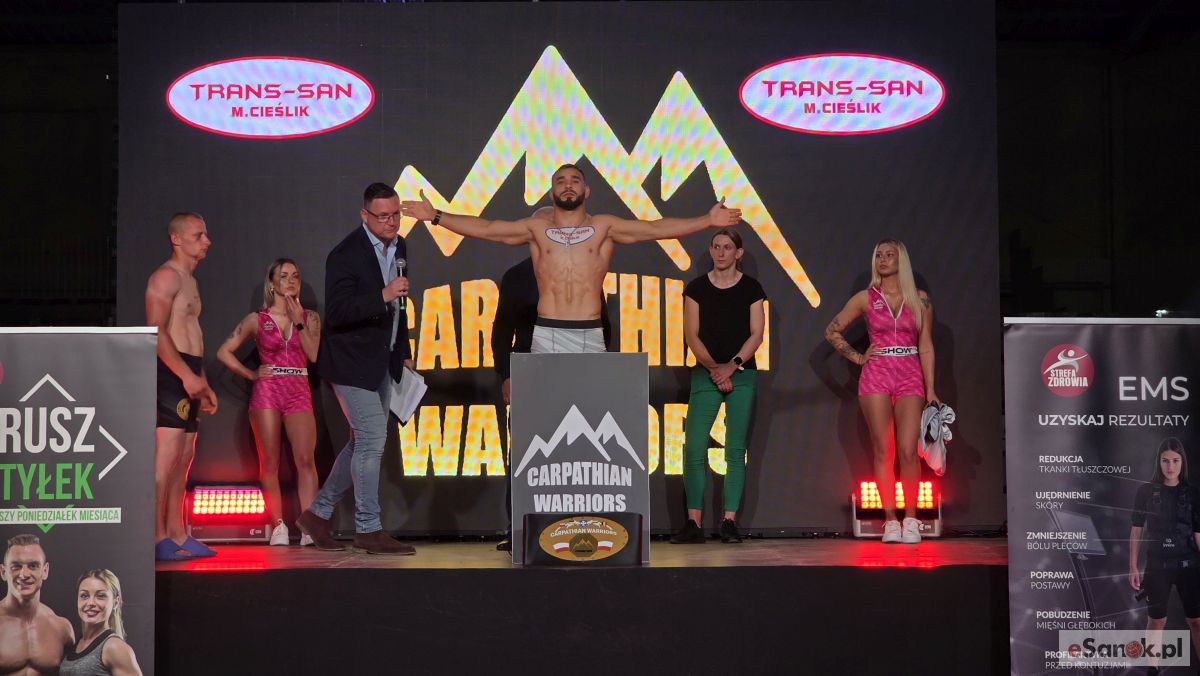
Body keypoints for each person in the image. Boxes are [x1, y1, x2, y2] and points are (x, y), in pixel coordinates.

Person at [401, 163, 741, 353]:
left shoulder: (604, 227)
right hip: (546, 333)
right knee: (545, 424)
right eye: (560, 181)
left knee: (590, 421)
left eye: (575, 180)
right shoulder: (536, 228)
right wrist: (436, 216)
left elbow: (655, 229)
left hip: (590, 333)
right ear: (552, 192)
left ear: (586, 190)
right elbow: (488, 228)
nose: (568, 185)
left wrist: (707, 221)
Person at [294, 182, 416, 556]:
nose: (391, 222)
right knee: (372, 439)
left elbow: (401, 306)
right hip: (349, 362)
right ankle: (368, 528)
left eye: (395, 215)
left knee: (362, 441)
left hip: (382, 359)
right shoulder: (345, 255)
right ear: (365, 215)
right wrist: (383, 294)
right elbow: (339, 312)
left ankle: (317, 516)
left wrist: (403, 349)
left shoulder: (399, 247)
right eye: (383, 216)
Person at [491, 251, 613, 551]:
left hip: (577, 372)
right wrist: (506, 375)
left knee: (579, 453)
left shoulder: (583, 269)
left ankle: (577, 525)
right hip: (529, 372)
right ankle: (519, 528)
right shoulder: (516, 276)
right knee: (526, 454)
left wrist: (600, 370)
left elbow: (603, 326)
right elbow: (502, 331)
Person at [825, 239, 937, 544]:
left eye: (890, 255)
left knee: (908, 450)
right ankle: (890, 521)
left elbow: (926, 345)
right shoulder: (866, 298)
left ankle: (910, 519)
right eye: (879, 255)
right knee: (883, 450)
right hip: (877, 374)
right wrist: (858, 357)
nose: (883, 259)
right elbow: (832, 331)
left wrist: (931, 389)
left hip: (910, 374)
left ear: (902, 260)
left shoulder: (921, 299)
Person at [669, 229, 766, 545]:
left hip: (742, 374)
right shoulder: (696, 288)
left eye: (727, 247)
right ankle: (693, 523)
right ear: (710, 250)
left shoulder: (752, 288)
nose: (721, 252)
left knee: (735, 450)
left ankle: (729, 522)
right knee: (694, 447)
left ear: (739, 253)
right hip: (706, 374)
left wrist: (731, 366)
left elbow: (757, 334)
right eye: (716, 247)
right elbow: (692, 335)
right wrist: (714, 369)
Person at [216, 259, 321, 546]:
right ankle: (278, 526)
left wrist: (299, 321)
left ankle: (309, 527)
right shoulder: (257, 319)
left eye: (295, 276)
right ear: (272, 284)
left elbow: (313, 355)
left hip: (298, 389)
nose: (291, 281)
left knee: (305, 459)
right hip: (268, 392)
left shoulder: (310, 317)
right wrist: (251, 374)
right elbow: (224, 352)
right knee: (270, 462)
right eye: (284, 276)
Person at [145, 212, 219, 561]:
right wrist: (186, 376)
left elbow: (192, 335)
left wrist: (201, 381)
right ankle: (156, 535)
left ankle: (177, 531)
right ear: (176, 239)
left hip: (189, 369)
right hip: (169, 371)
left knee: (185, 457)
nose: (207, 241)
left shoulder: (190, 280)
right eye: (198, 235)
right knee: (166, 458)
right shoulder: (165, 277)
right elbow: (156, 332)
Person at [1129, 437, 1200, 673]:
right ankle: (1153, 669)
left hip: (1189, 566)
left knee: (1197, 621)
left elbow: (1198, 534)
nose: (1170, 466)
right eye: (1165, 461)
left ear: (1182, 462)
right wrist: (1133, 566)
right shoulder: (1145, 491)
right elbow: (1136, 530)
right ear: (1159, 462)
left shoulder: (1192, 493)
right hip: (1157, 566)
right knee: (1156, 620)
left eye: (1175, 461)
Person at [0, 534, 74, 675]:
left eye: (33, 566)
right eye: (16, 566)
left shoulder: (62, 628)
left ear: (45, 571)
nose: (24, 574)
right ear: (3, 572)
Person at [59, 570, 143, 676]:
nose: (90, 603)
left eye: (101, 596)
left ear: (115, 603)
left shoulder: (114, 647)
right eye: (84, 596)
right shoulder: (76, 644)